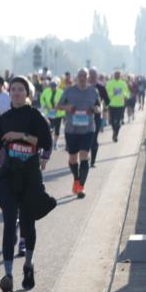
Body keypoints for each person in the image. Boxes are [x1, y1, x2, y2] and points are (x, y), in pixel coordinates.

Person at [0, 76, 53, 292]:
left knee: (27, 222)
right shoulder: (4, 118)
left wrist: (20, 135)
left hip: (30, 176)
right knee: (9, 222)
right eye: (13, 89)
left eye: (20, 89)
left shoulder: (35, 116)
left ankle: (28, 264)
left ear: (28, 93)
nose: (16, 93)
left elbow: (45, 141)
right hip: (7, 177)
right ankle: (7, 274)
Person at [57, 68, 100, 199]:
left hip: (88, 129)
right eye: (80, 75)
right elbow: (58, 106)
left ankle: (81, 187)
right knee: (72, 158)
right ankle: (76, 179)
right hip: (71, 129)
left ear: (87, 78)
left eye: (84, 76)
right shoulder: (69, 90)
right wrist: (67, 108)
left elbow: (99, 107)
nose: (82, 78)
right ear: (77, 77)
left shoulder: (93, 91)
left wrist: (95, 109)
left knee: (84, 156)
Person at [88, 68, 110, 168]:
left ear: (97, 76)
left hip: (96, 116)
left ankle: (92, 161)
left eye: (94, 74)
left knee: (93, 139)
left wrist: (102, 106)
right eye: (90, 74)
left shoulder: (101, 87)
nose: (92, 76)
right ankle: (84, 156)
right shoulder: (83, 86)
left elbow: (107, 100)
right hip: (82, 117)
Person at [105, 70, 131, 142]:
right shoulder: (109, 83)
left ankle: (115, 134)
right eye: (116, 74)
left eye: (119, 75)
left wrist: (125, 95)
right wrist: (113, 93)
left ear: (120, 76)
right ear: (114, 75)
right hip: (112, 105)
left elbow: (127, 93)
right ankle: (114, 131)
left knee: (118, 122)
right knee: (112, 121)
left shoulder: (123, 83)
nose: (117, 76)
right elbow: (106, 94)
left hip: (120, 105)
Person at [39, 76, 65, 140]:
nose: (53, 88)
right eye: (51, 86)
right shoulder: (46, 91)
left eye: (54, 86)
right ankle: (49, 139)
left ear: (57, 85)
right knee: (49, 127)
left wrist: (59, 106)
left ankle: (55, 143)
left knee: (57, 129)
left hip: (58, 113)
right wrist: (45, 106)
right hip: (49, 112)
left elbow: (65, 101)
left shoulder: (61, 92)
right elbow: (42, 99)